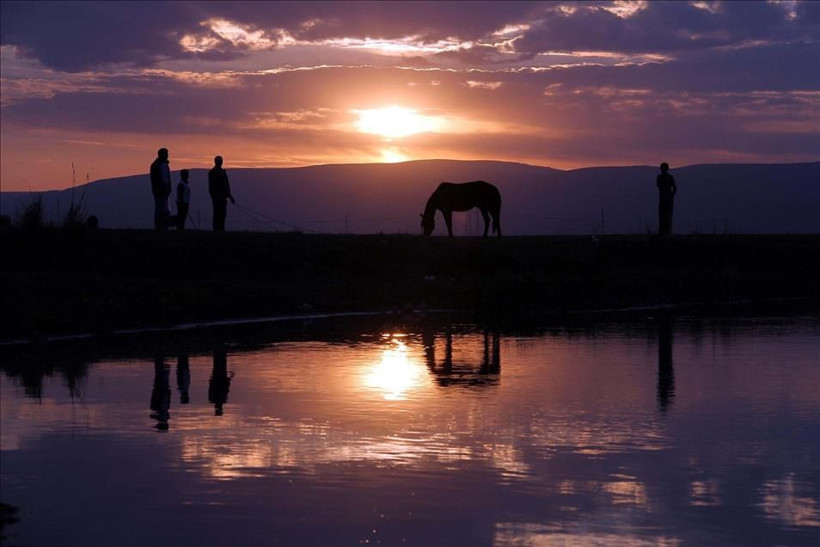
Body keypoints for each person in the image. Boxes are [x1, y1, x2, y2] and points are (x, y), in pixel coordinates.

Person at [208, 156, 235, 231]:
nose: (220, 162)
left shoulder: (223, 172)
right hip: (217, 197)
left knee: (223, 214)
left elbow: (226, 185)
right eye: (219, 161)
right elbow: (211, 187)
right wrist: (214, 197)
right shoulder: (213, 172)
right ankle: (216, 229)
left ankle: (221, 228)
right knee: (217, 213)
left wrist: (230, 196)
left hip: (223, 197)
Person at [150, 148, 172, 230]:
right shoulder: (160, 165)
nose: (167, 156)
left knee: (160, 209)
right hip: (161, 191)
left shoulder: (156, 165)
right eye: (166, 154)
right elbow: (164, 180)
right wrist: (166, 189)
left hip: (160, 191)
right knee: (162, 210)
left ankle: (161, 226)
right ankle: (161, 226)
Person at [656, 162, 677, 236]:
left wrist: (671, 196)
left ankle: (667, 231)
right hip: (663, 199)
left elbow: (674, 188)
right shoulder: (661, 177)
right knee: (662, 216)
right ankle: (662, 231)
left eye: (664, 168)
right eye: (662, 168)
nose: (663, 170)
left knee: (667, 216)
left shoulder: (668, 177)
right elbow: (674, 188)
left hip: (667, 200)